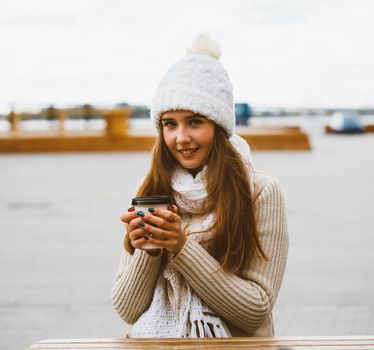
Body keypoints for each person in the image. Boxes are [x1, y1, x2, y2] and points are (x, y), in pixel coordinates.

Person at [111, 34, 289, 338]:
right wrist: (149, 250)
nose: (180, 138)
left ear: (219, 126)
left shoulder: (260, 190)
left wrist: (180, 246)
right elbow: (127, 310)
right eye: (170, 123)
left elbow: (255, 310)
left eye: (194, 121)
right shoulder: (152, 188)